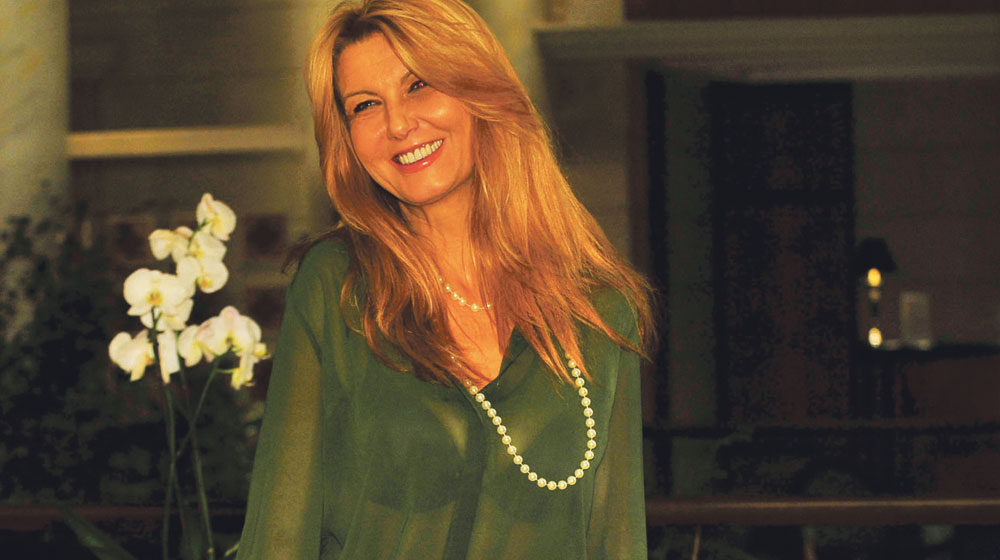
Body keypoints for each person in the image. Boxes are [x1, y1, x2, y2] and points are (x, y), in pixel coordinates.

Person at [236, 0, 655, 558]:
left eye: (419, 85)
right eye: (365, 105)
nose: (398, 124)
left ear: (481, 91)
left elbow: (618, 537)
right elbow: (279, 533)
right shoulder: (339, 288)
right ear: (347, 137)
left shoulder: (597, 307)